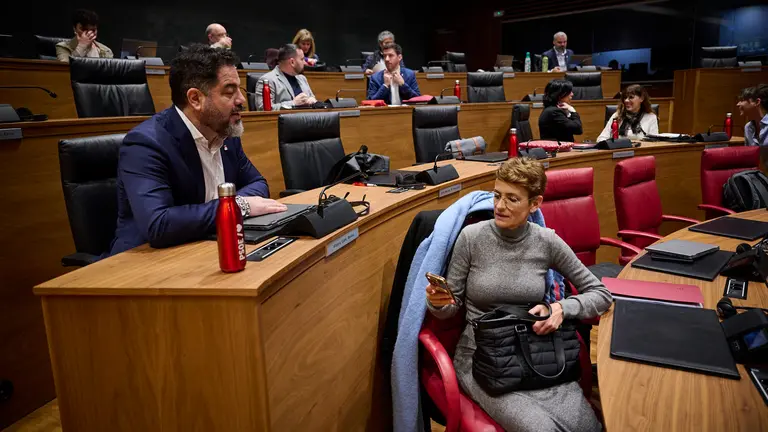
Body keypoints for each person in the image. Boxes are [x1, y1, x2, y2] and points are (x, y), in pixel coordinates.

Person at [426, 157, 611, 431]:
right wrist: (439, 303)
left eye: (512, 199)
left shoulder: (546, 241)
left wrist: (561, 308)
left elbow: (601, 294)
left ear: (535, 204)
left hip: (536, 352)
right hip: (482, 357)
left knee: (589, 427)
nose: (499, 206)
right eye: (497, 195)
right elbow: (451, 307)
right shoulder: (471, 238)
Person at [110, 45, 286, 255]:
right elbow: (159, 224)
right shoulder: (146, 144)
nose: (241, 100)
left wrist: (231, 206)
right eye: (230, 92)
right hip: (145, 261)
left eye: (240, 90)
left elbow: (258, 184)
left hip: (205, 246)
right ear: (195, 99)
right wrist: (238, 205)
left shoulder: (226, 133)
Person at [254, 44, 316, 111]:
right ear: (292, 62)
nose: (304, 62)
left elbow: (312, 98)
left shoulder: (302, 78)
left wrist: (313, 101)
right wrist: (293, 103)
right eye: (302, 59)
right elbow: (263, 109)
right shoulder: (267, 81)